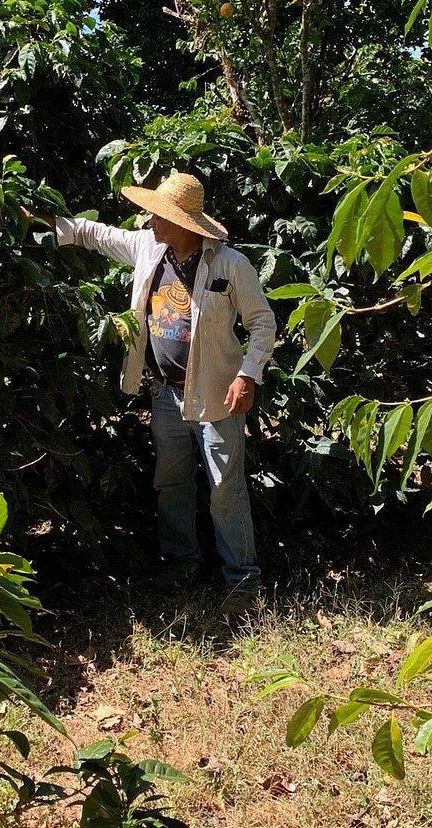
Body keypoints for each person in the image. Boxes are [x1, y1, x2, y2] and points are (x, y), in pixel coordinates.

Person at [37, 171, 276, 617]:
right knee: (171, 482)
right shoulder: (149, 247)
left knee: (225, 488)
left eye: (159, 216)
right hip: (165, 393)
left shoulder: (230, 265)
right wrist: (39, 221)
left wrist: (248, 375)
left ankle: (243, 581)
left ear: (186, 224)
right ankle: (182, 564)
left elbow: (263, 324)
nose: (150, 222)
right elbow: (96, 234)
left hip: (216, 395)